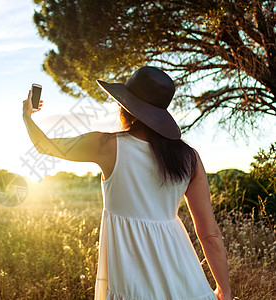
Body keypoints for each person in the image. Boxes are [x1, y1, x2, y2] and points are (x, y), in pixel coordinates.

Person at [22, 66, 232, 300]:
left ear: (124, 107)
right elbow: (210, 235)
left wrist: (27, 117)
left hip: (130, 281)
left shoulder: (106, 144)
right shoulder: (189, 157)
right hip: (185, 277)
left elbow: (45, 145)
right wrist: (225, 290)